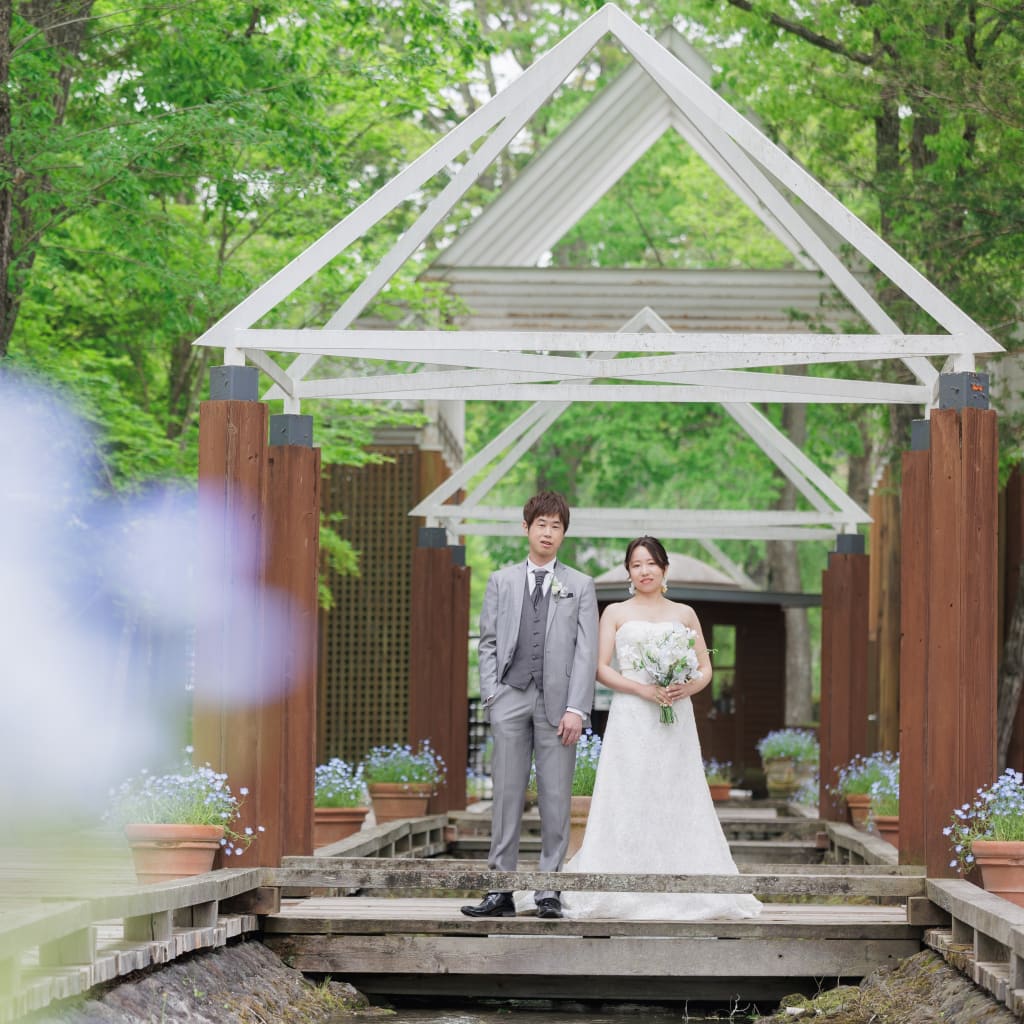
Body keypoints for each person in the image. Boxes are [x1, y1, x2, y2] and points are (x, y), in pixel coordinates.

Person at [563, 536, 761, 921]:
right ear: (628, 572)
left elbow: (704, 667)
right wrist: (642, 689)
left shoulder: (684, 613)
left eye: (651, 563)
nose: (644, 571)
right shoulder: (615, 613)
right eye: (636, 565)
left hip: (676, 717)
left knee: (676, 788)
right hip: (632, 716)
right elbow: (601, 667)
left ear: (665, 569)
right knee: (630, 789)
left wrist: (687, 686)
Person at [462, 492, 598, 920]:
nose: (548, 532)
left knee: (556, 798)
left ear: (563, 534)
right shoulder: (502, 581)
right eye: (541, 524)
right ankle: (500, 890)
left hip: (559, 706)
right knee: (505, 795)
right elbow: (486, 642)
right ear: (527, 528)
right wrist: (492, 695)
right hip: (511, 697)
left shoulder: (580, 585)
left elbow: (586, 653)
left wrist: (577, 707)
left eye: (556, 526)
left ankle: (549, 891)